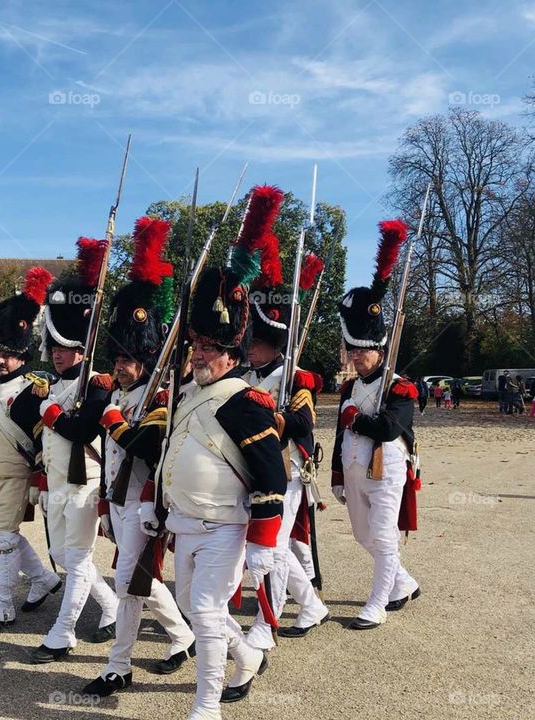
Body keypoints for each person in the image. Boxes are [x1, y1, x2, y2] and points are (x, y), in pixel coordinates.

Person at [140, 191, 288, 719]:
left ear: (232, 352)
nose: (199, 355)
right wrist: (153, 503)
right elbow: (170, 457)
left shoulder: (248, 403)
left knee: (203, 611)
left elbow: (272, 475)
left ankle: (206, 707)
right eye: (196, 347)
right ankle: (246, 656)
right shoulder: (186, 395)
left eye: (210, 349)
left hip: (226, 526)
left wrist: (264, 542)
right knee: (194, 608)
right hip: (184, 523)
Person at [78, 217, 195, 698]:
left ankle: (118, 665)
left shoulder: (161, 396)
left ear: (145, 360)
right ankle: (185, 636)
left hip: (148, 502)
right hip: (120, 500)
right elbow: (108, 457)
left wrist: (115, 425)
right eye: (118, 358)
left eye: (129, 360)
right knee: (135, 579)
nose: (121, 366)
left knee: (127, 582)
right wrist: (106, 500)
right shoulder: (121, 394)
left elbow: (149, 448)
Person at [240, 186, 329, 651]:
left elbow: (302, 426)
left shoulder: (298, 376)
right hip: (252, 468)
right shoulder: (248, 373)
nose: (248, 346)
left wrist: (273, 419)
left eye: (256, 340)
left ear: (274, 340)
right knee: (266, 548)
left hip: (287, 469)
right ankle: (310, 604)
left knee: (271, 547)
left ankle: (265, 625)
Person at [27, 238, 119, 663]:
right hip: (61, 482)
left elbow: (83, 430)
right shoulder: (58, 384)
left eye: (65, 349)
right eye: (55, 348)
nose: (58, 355)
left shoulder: (98, 382)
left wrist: (51, 414)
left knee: (77, 559)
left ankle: (62, 633)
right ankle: (114, 605)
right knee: (62, 554)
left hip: (86, 482)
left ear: (81, 347)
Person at [0, 267, 62, 633]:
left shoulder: (32, 391)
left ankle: (2, 606)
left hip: (15, 476)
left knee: (3, 539)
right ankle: (43, 580)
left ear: (22, 358)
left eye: (8, 355)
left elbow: (41, 443)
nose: (1, 361)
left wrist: (40, 481)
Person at [332, 219, 421, 631]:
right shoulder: (351, 387)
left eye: (362, 352)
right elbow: (339, 431)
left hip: (388, 471)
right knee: (363, 536)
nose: (356, 358)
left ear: (378, 349)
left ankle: (377, 604)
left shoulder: (401, 387)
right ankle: (403, 583)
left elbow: (388, 429)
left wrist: (356, 420)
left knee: (382, 537)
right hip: (353, 469)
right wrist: (336, 471)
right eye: (353, 351)